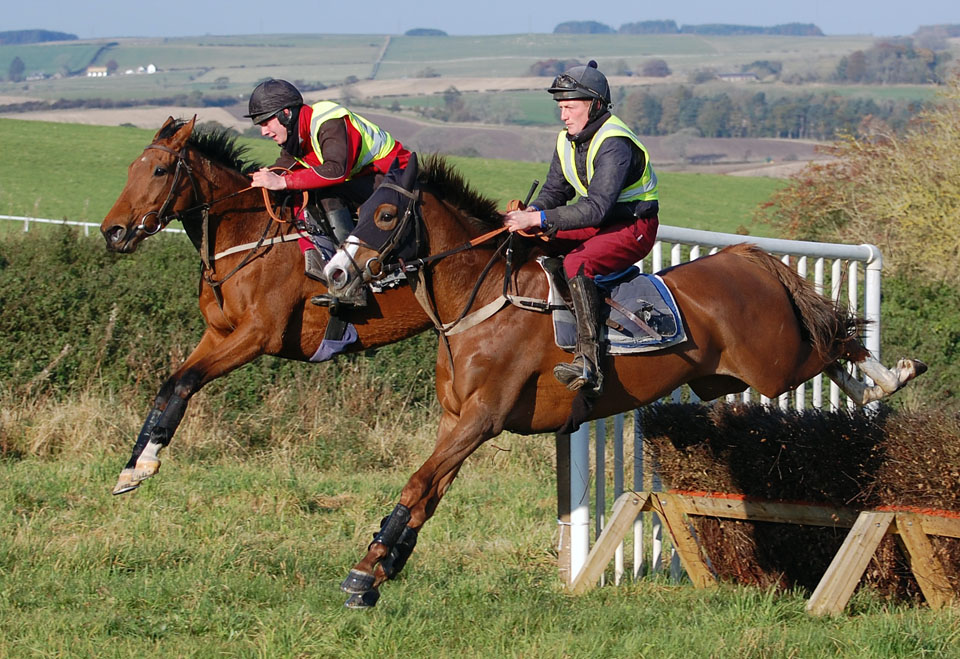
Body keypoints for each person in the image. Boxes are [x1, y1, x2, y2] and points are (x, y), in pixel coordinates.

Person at [503, 61, 659, 395]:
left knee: (576, 264)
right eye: (561, 107)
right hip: (601, 223)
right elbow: (554, 191)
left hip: (633, 226)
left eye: (570, 107)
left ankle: (590, 361)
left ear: (596, 105)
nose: (563, 115)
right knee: (536, 241)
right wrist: (533, 213)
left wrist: (540, 219)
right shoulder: (567, 140)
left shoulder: (615, 142)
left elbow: (597, 208)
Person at [245, 78, 411, 245]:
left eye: (266, 123)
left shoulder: (329, 121)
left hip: (396, 175)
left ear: (286, 114)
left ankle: (349, 261)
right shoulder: (296, 136)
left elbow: (336, 170)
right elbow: (284, 166)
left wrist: (283, 181)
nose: (263, 132)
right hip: (366, 177)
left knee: (328, 194)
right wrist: (263, 179)